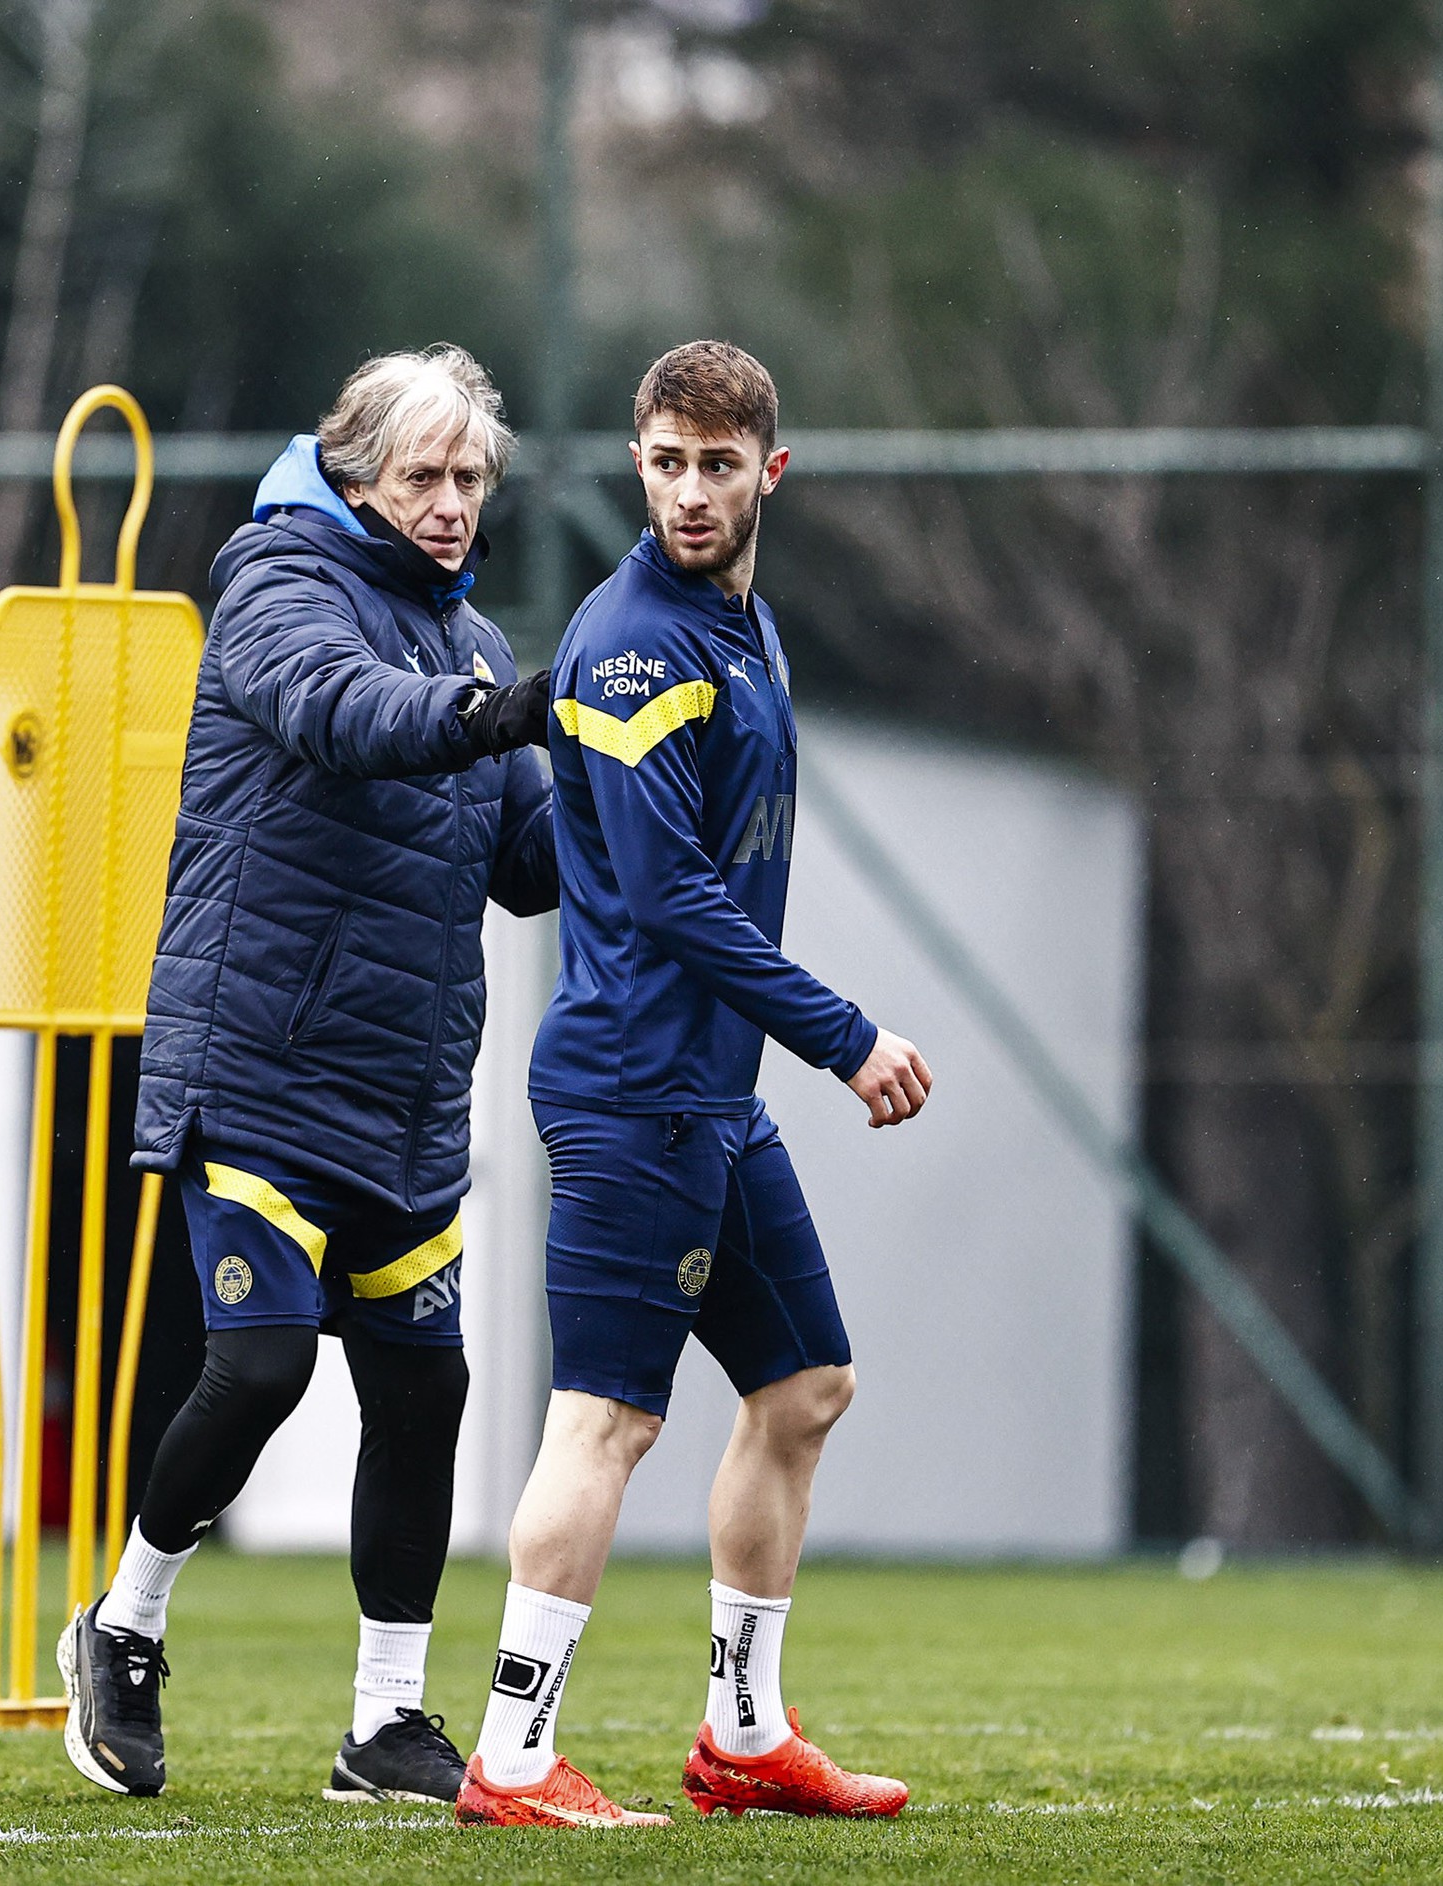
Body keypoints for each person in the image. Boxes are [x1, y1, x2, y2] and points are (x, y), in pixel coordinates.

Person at [56, 345, 557, 1806]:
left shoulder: (473, 643)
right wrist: (507, 712)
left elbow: (525, 867)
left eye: (472, 477)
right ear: (353, 473)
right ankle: (124, 1621)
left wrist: (630, 780)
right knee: (263, 1364)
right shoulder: (276, 585)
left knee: (426, 1391)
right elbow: (346, 713)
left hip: (404, 1097)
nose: (455, 502)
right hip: (259, 1061)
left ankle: (384, 1725)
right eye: (425, 474)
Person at [454, 340, 933, 1830]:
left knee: (804, 1389)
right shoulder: (638, 647)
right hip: (628, 1091)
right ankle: (513, 1758)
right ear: (637, 462)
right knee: (604, 1422)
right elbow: (668, 902)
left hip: (708, 1101)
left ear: (767, 471)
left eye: (718, 464)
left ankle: (742, 1732)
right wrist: (844, 1031)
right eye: (664, 462)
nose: (688, 491)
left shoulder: (749, 631)